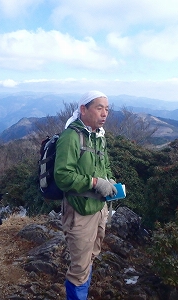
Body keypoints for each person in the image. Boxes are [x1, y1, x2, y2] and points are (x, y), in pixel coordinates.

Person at [54, 91, 117, 300]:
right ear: (83, 109)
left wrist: (110, 181)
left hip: (99, 208)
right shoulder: (71, 137)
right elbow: (62, 176)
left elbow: (104, 165)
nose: (104, 113)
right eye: (99, 108)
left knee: (91, 255)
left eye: (107, 109)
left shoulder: (99, 136)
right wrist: (95, 182)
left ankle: (82, 292)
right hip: (79, 210)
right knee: (80, 266)